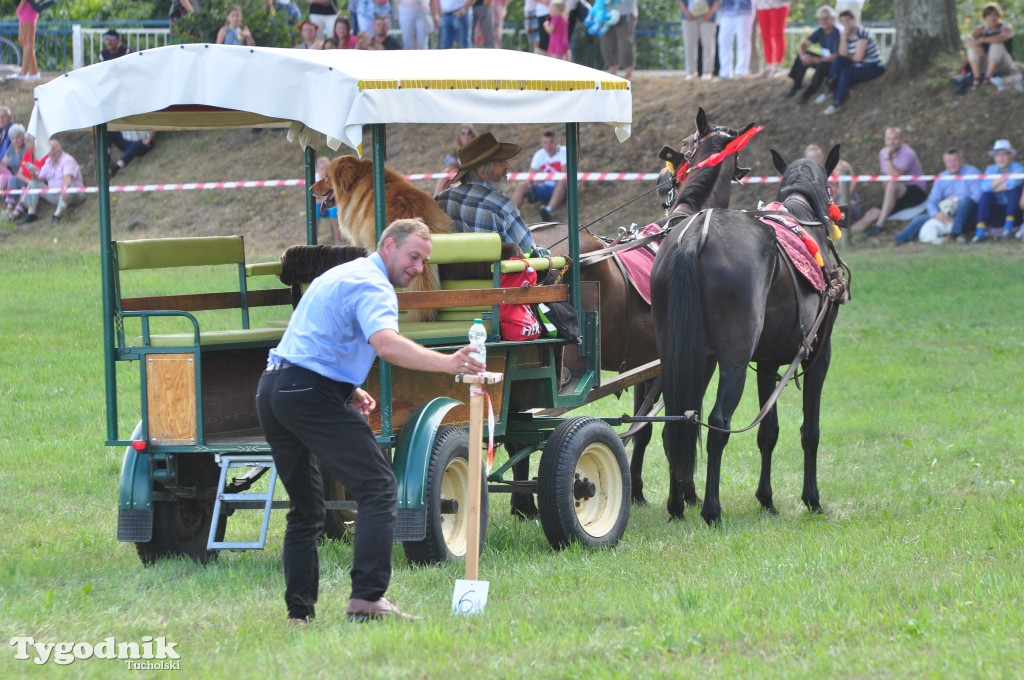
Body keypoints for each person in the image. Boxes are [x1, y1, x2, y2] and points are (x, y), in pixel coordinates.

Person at [256, 218, 486, 625]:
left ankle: (298, 616)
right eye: (413, 256)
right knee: (379, 487)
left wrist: (346, 388)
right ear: (387, 246)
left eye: (424, 260)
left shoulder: (345, 273)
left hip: (275, 389)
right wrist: (448, 362)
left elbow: (317, 337)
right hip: (307, 392)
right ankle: (367, 598)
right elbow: (386, 344)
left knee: (306, 510)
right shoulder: (374, 283)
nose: (418, 268)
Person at [435, 132, 538, 255]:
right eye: (500, 161)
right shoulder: (501, 206)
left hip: (449, 274)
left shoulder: (440, 200)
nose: (507, 165)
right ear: (481, 172)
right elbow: (530, 252)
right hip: (493, 274)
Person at [893, 148, 982, 245]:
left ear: (961, 160)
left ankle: (954, 235)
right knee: (920, 219)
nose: (952, 164)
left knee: (965, 201)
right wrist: (936, 214)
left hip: (968, 214)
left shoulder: (973, 173)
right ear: (945, 163)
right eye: (949, 161)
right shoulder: (941, 178)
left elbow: (977, 197)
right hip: (947, 214)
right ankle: (898, 240)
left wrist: (957, 200)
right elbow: (931, 201)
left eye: (955, 160)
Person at [851, 127, 927, 238]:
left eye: (894, 139)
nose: (891, 142)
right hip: (895, 192)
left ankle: (879, 225)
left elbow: (894, 176)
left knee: (892, 183)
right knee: (871, 213)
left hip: (915, 192)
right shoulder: (883, 152)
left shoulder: (907, 153)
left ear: (901, 139)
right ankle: (843, 236)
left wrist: (887, 157)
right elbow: (886, 178)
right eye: (889, 139)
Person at [820, 9, 884, 115]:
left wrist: (848, 56)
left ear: (854, 20)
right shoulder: (846, 34)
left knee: (846, 73)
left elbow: (858, 58)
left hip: (872, 66)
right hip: (858, 64)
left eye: (848, 20)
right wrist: (844, 37)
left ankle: (837, 102)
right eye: (843, 21)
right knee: (839, 60)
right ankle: (830, 87)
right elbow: (842, 53)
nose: (846, 23)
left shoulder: (862, 33)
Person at [18, 138, 85, 225]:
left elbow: (67, 178)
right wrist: (33, 174)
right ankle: (31, 214)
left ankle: (56, 216)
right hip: (55, 195)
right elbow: (41, 179)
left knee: (69, 186)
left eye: (54, 149)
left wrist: (64, 189)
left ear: (60, 148)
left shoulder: (67, 159)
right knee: (33, 183)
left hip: (74, 196)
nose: (52, 152)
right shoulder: (48, 162)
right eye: (49, 150)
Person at [972, 139, 1024, 243]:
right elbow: (984, 187)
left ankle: (1007, 229)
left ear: (1010, 156)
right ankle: (980, 232)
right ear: (994, 157)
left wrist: (995, 184)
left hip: (1015, 211)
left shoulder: (1018, 167)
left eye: (1004, 155)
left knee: (1014, 191)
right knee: (986, 195)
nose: (1001, 158)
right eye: (998, 155)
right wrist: (1005, 178)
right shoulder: (990, 169)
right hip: (996, 211)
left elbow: (1014, 183)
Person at [785, 5, 839, 102]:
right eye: (821, 19)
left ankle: (810, 91)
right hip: (824, 59)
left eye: (826, 18)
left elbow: (837, 56)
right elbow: (802, 44)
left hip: (833, 64)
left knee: (822, 64)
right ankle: (796, 84)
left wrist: (817, 60)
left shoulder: (837, 33)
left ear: (832, 19)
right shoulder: (820, 32)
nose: (823, 21)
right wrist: (803, 56)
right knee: (803, 56)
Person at [511, 130, 567, 222]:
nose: (548, 146)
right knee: (522, 185)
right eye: (545, 143)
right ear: (541, 143)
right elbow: (531, 176)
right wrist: (531, 184)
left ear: (556, 142)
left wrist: (541, 178)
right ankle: (510, 214)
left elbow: (565, 173)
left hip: (565, 189)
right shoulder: (539, 154)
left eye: (551, 142)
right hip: (546, 187)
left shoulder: (564, 152)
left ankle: (548, 210)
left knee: (561, 180)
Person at [966, 2, 1016, 92]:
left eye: (995, 14)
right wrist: (975, 46)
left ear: (999, 15)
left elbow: (1001, 38)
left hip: (1004, 63)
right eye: (989, 15)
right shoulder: (981, 29)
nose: (992, 18)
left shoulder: (1006, 28)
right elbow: (969, 38)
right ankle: (977, 78)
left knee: (996, 45)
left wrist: (982, 40)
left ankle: (987, 78)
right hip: (987, 63)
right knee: (971, 48)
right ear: (985, 17)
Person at [805, 142, 860, 221]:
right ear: (806, 159)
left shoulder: (833, 173)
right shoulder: (803, 177)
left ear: (823, 157)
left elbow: (841, 198)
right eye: (811, 157)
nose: (815, 160)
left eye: (818, 156)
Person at [3, 132, 42, 220]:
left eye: (28, 141)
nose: (25, 143)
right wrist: (27, 180)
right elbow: (19, 173)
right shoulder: (27, 154)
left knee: (26, 188)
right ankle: (9, 207)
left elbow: (42, 175)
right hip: (27, 180)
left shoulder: (42, 156)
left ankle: (17, 212)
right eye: (26, 141)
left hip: (36, 182)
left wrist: (31, 182)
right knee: (12, 179)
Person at [679, 0, 719, 81]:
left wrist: (710, 13)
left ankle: (707, 72)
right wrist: (686, 13)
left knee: (708, 44)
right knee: (690, 44)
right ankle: (691, 72)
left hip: (708, 16)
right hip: (689, 16)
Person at [434, 124, 477, 195]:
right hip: (459, 175)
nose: (466, 136)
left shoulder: (477, 148)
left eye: (469, 133)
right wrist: (452, 164)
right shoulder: (457, 150)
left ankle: (458, 194)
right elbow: (453, 162)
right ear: (459, 136)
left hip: (471, 176)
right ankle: (436, 199)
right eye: (463, 133)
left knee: (453, 174)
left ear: (473, 135)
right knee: (447, 171)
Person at [717, 0, 753, 80]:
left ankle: (741, 72)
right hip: (727, 10)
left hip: (745, 10)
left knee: (743, 42)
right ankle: (725, 73)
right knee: (723, 41)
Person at [601, 0, 637, 78]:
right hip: (606, 14)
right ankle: (612, 75)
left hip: (625, 12)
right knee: (608, 46)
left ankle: (628, 76)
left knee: (625, 44)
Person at [754, 0, 790, 78]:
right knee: (765, 37)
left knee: (778, 35)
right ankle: (769, 66)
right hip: (762, 5)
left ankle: (777, 66)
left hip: (778, 4)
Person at [11, 0, 41, 80]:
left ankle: (23, 73)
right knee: (22, 41)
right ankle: (34, 72)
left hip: (27, 7)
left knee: (28, 41)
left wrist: (21, 5)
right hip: (23, 8)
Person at [0, 123, 26, 200]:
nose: (15, 141)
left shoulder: (26, 149)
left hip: (21, 178)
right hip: (11, 174)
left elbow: (25, 167)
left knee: (3, 177)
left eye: (18, 138)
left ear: (23, 137)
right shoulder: (11, 148)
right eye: (13, 138)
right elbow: (4, 163)